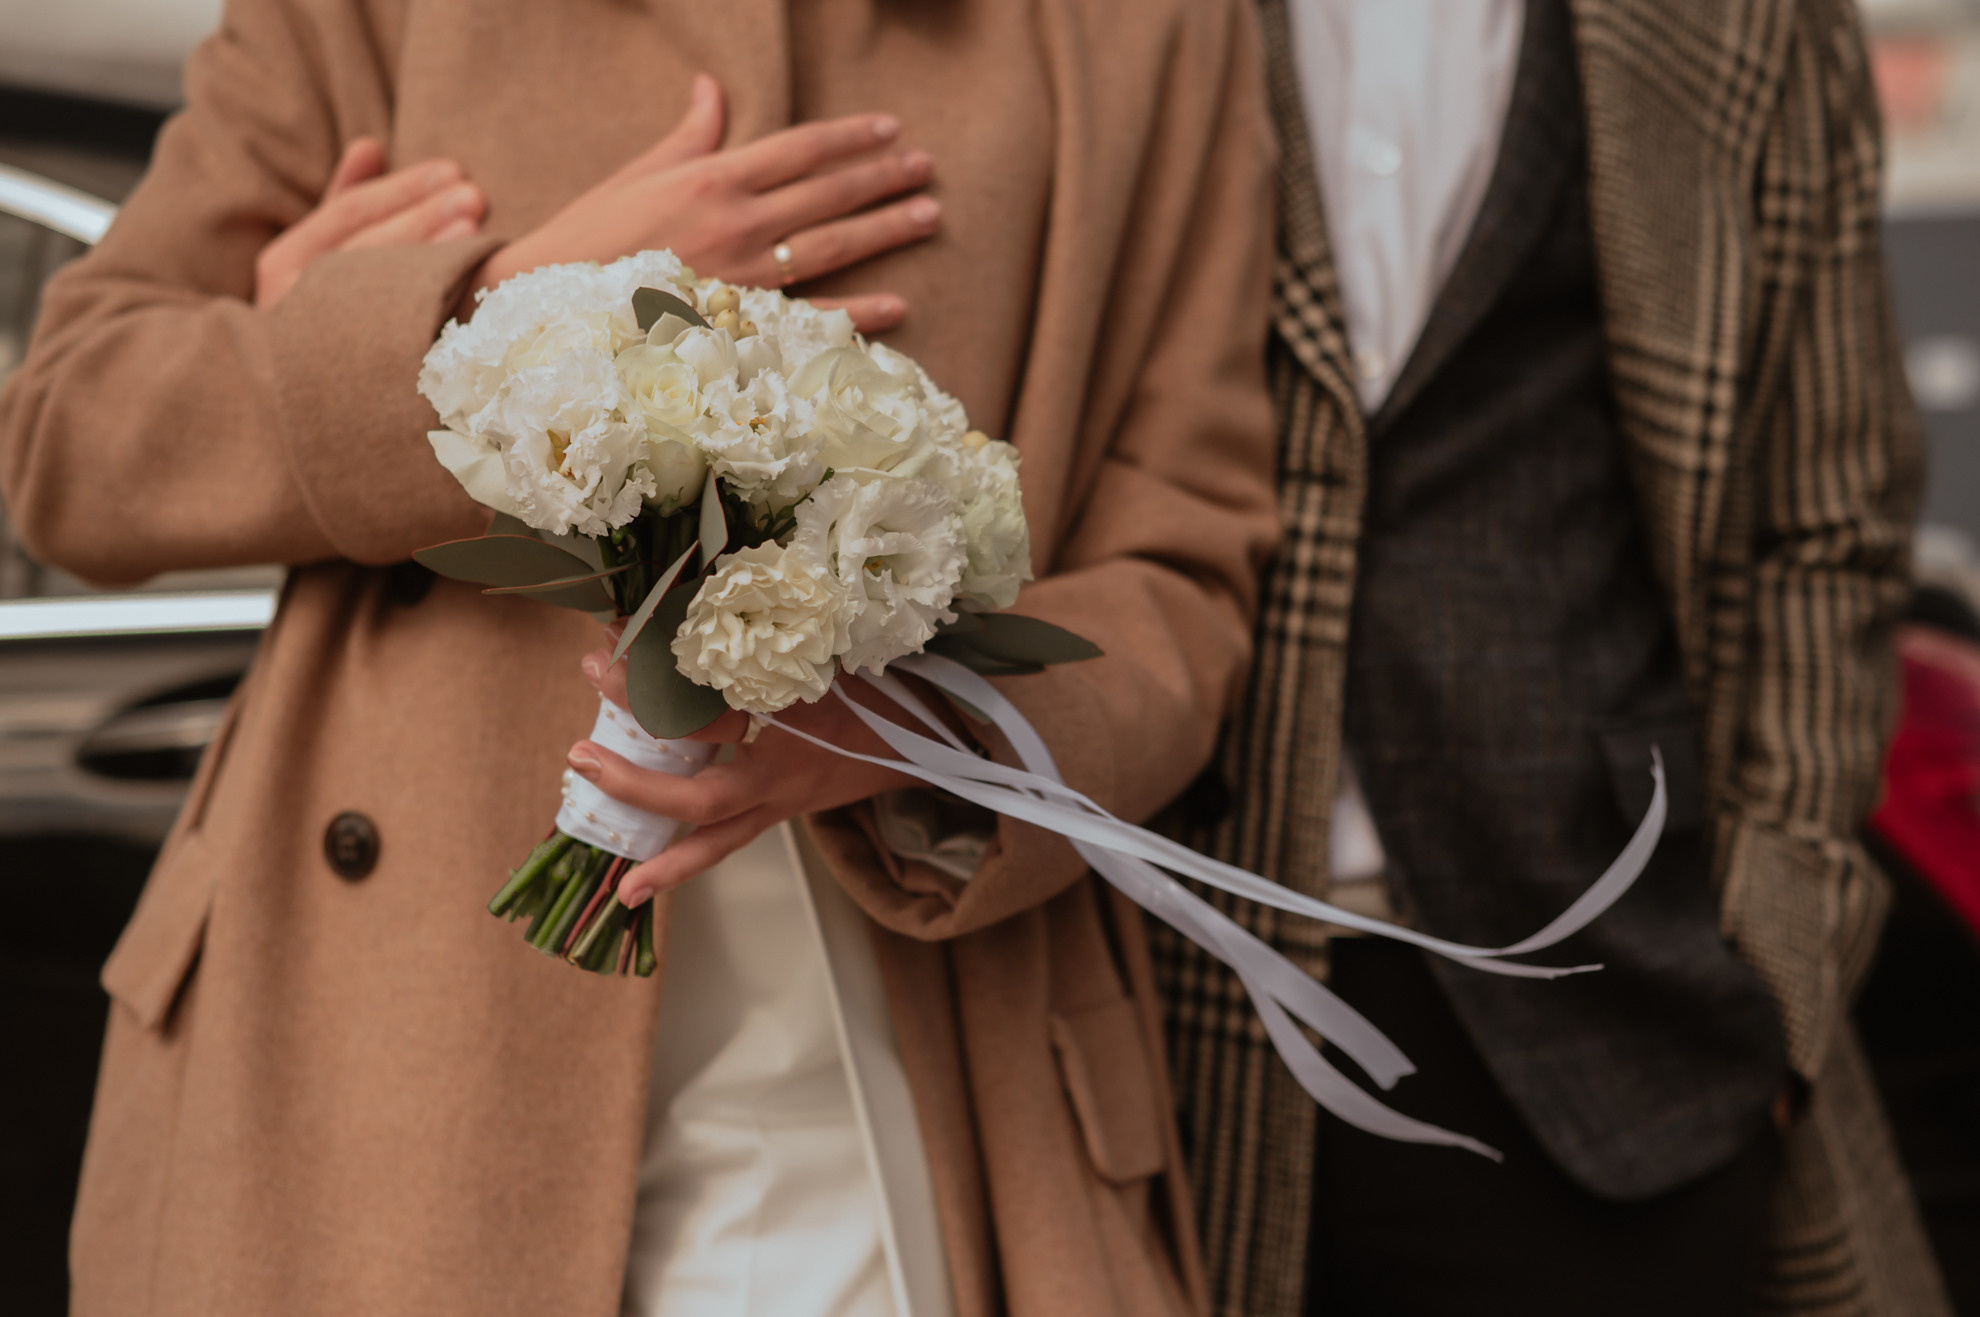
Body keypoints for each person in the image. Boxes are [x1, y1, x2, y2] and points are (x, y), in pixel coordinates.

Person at [0, 1, 1279, 1313]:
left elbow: (1189, 563)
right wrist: (519, 307)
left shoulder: (1142, 27)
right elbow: (69, 437)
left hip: (910, 1066)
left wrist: (921, 734)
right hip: (381, 1078)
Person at [1152, 0, 1953, 1313]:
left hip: (1618, 1011)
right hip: (1171, 988)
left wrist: (1784, 951)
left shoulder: (1737, 20)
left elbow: (1828, 512)